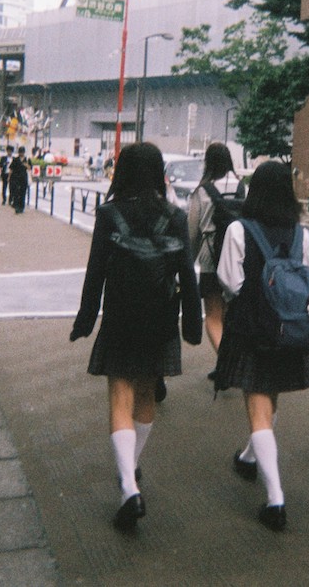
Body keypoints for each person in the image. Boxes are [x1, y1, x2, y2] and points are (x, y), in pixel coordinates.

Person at [70, 142, 202, 531]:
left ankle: (128, 486)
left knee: (120, 396)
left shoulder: (110, 214)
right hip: (161, 318)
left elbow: (96, 272)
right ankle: (132, 466)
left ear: (123, 173)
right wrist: (192, 323)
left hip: (121, 317)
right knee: (146, 396)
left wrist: (85, 319)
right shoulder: (175, 217)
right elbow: (188, 276)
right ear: (159, 172)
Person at [215, 161, 309, 532]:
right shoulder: (299, 234)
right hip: (288, 330)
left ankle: (275, 499)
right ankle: (247, 456)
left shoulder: (240, 230)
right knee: (269, 399)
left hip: (251, 329)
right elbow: (307, 277)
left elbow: (230, 281)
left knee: (257, 408)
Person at [187, 142, 238, 359]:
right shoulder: (243, 187)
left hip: (211, 257)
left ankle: (226, 363)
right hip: (239, 257)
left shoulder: (202, 191)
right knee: (230, 315)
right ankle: (229, 362)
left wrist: (188, 261)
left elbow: (192, 230)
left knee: (213, 317)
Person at [8, 146, 29, 214]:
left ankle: (21, 207)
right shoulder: (15, 159)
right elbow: (11, 169)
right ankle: (16, 207)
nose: (21, 153)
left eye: (22, 152)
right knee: (16, 193)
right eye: (20, 152)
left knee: (23, 193)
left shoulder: (27, 159)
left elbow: (30, 168)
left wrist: (26, 165)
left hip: (24, 178)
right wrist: (9, 177)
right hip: (16, 178)